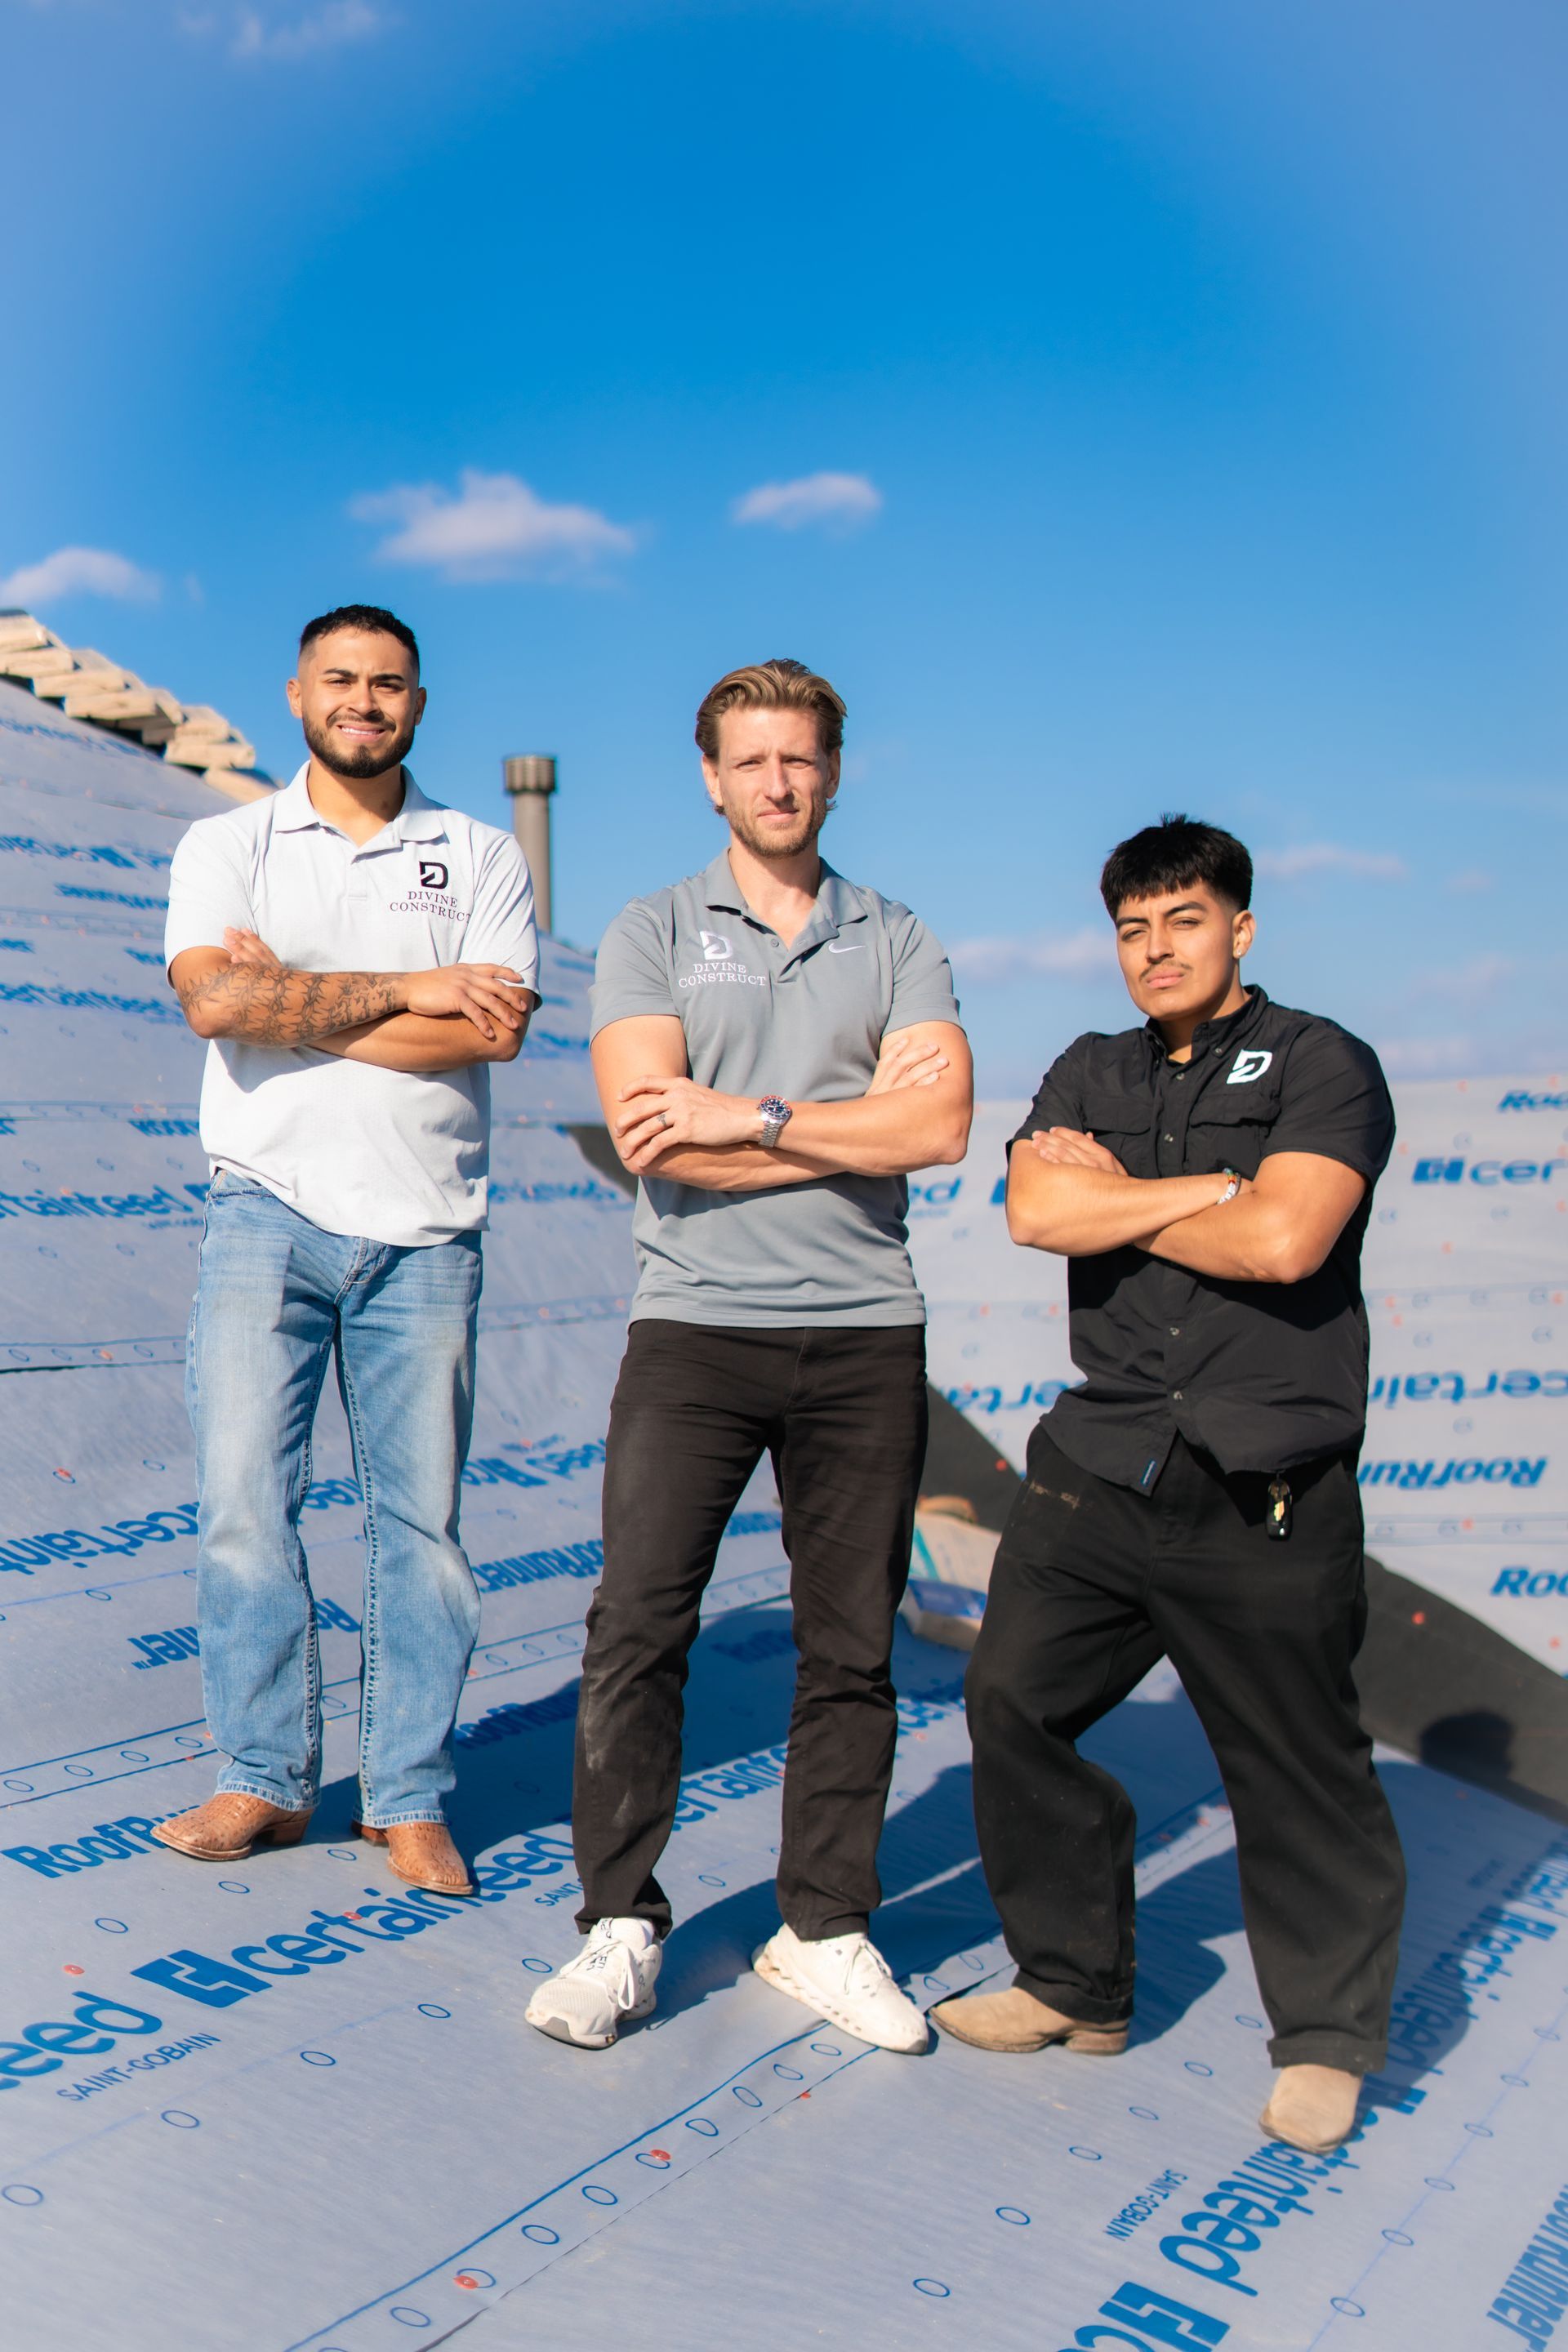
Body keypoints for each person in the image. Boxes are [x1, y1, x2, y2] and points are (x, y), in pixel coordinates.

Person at [931, 814, 1405, 2156]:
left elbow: (1287, 1237)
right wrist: (1205, 1182)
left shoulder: (1324, 1063)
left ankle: (1321, 2041)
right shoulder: (1089, 1066)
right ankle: (1075, 1986)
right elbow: (1036, 1214)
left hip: (1267, 1484)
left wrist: (1127, 1192)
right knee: (1012, 1700)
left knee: (1297, 1766)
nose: (1156, 950)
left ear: (1240, 928)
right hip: (1102, 1465)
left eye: (1183, 922)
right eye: (1133, 930)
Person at [524, 657, 973, 2051]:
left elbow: (940, 1132)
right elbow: (656, 1142)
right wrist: (834, 1123)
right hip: (697, 1335)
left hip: (865, 1339)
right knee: (638, 1626)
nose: (779, 783)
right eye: (752, 762)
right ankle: (618, 1923)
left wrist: (752, 1115)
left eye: (803, 759)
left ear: (833, 771)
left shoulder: (896, 936)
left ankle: (824, 1929)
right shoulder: (651, 931)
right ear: (712, 779)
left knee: (852, 1650)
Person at [154, 604, 538, 1897]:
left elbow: (487, 1034)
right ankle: (262, 1775)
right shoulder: (230, 845)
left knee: (418, 1533)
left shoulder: (478, 854)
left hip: (427, 1233)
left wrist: (299, 998)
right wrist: (408, 985)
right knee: (246, 1517)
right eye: (340, 679)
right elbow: (212, 999)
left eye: (387, 683)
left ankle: (409, 1795)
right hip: (265, 1213)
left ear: (417, 704)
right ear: (296, 692)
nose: (363, 700)